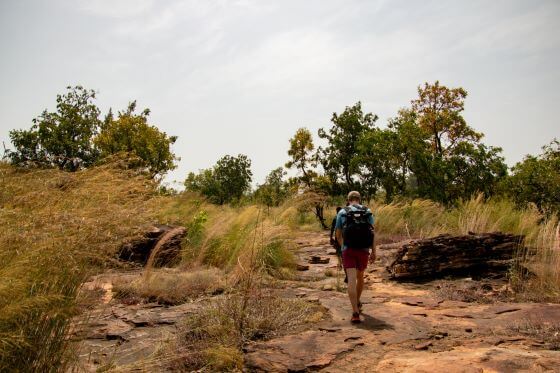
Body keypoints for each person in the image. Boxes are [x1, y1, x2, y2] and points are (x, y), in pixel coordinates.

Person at [335, 191, 375, 324]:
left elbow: (338, 235)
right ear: (359, 199)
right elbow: (373, 233)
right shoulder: (367, 211)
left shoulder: (342, 212)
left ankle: (355, 313)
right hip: (363, 250)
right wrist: (373, 251)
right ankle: (358, 301)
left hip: (349, 250)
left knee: (351, 279)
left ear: (348, 200)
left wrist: (343, 247)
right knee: (360, 276)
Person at [329, 207, 347, 282]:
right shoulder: (345, 216)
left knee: (339, 251)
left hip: (338, 237)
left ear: (336, 211)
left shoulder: (336, 217)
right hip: (345, 237)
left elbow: (333, 228)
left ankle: (340, 263)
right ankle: (342, 264)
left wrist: (330, 237)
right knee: (344, 251)